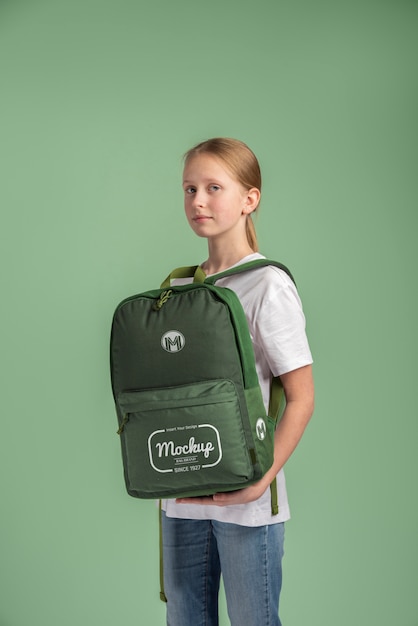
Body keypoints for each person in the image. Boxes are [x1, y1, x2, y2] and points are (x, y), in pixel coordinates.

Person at [161, 137, 314, 626]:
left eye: (213, 187)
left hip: (249, 504)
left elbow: (302, 397)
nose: (198, 201)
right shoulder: (178, 289)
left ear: (250, 199)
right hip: (182, 498)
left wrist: (260, 483)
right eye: (189, 189)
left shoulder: (269, 285)